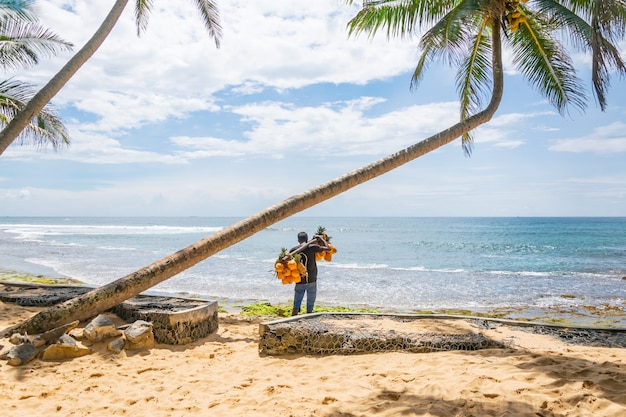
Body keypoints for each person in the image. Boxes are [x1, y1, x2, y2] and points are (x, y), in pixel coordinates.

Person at [290, 231, 329, 316]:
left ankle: (294, 316)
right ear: (307, 239)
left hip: (299, 279)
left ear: (298, 240)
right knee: (311, 299)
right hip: (312, 278)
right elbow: (328, 248)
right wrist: (321, 238)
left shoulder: (294, 250)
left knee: (297, 300)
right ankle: (308, 315)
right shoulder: (312, 247)